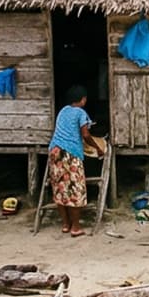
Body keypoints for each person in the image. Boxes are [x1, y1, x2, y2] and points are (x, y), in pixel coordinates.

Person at [46, 85, 100, 237]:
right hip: (70, 153)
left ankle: (65, 225)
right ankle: (75, 227)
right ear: (83, 100)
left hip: (55, 151)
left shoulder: (63, 111)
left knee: (59, 188)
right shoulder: (80, 113)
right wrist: (99, 149)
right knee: (75, 188)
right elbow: (86, 135)